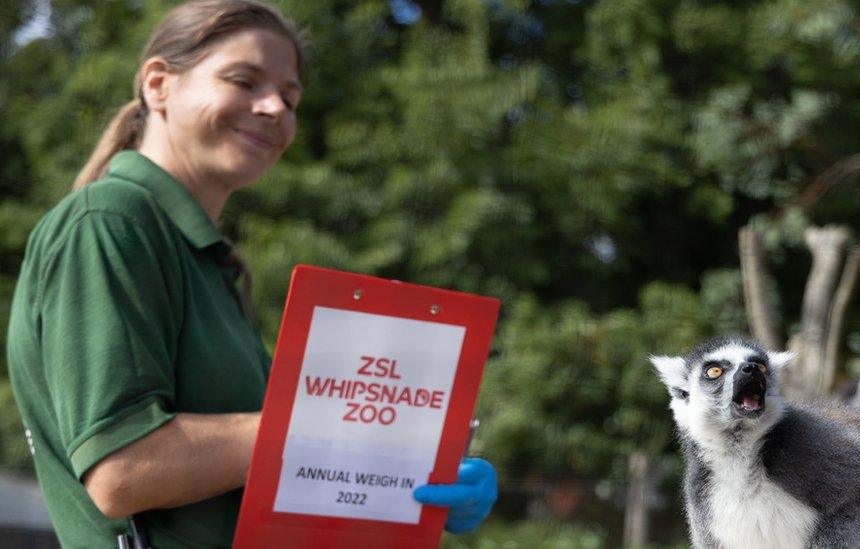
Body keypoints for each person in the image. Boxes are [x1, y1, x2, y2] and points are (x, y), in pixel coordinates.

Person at [5, 1, 497, 546]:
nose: (273, 108)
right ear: (158, 84)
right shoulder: (109, 222)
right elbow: (122, 470)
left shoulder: (212, 264)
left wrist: (406, 476)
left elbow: (259, 475)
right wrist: (327, 428)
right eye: (244, 80)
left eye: (289, 97)